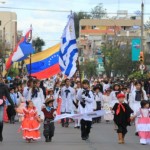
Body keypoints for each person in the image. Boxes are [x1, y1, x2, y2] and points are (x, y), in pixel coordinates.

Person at [0, 73, 15, 142]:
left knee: (0, 121)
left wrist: (13, 105)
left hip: (1, 105)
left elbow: (8, 96)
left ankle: (0, 134)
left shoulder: (4, 86)